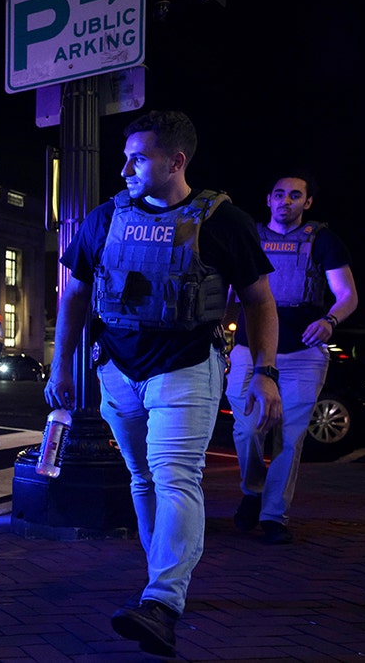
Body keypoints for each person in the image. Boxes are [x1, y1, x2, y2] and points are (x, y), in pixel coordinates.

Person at [42, 110, 282, 657]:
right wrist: (61, 366)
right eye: (125, 157)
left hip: (186, 366)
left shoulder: (223, 221)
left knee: (175, 476)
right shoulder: (105, 217)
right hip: (117, 370)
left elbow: (259, 300)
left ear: (176, 161)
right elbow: (75, 293)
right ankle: (159, 585)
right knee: (143, 477)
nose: (124, 168)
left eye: (138, 158)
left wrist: (265, 372)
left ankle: (162, 600)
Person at [225, 172, 357, 544]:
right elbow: (229, 290)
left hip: (302, 354)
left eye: (295, 195)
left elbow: (347, 295)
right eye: (279, 194)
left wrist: (330, 321)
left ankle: (273, 515)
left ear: (307, 202)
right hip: (250, 350)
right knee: (247, 429)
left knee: (290, 436)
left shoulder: (322, 240)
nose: (286, 201)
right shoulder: (250, 237)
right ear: (268, 199)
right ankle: (253, 491)